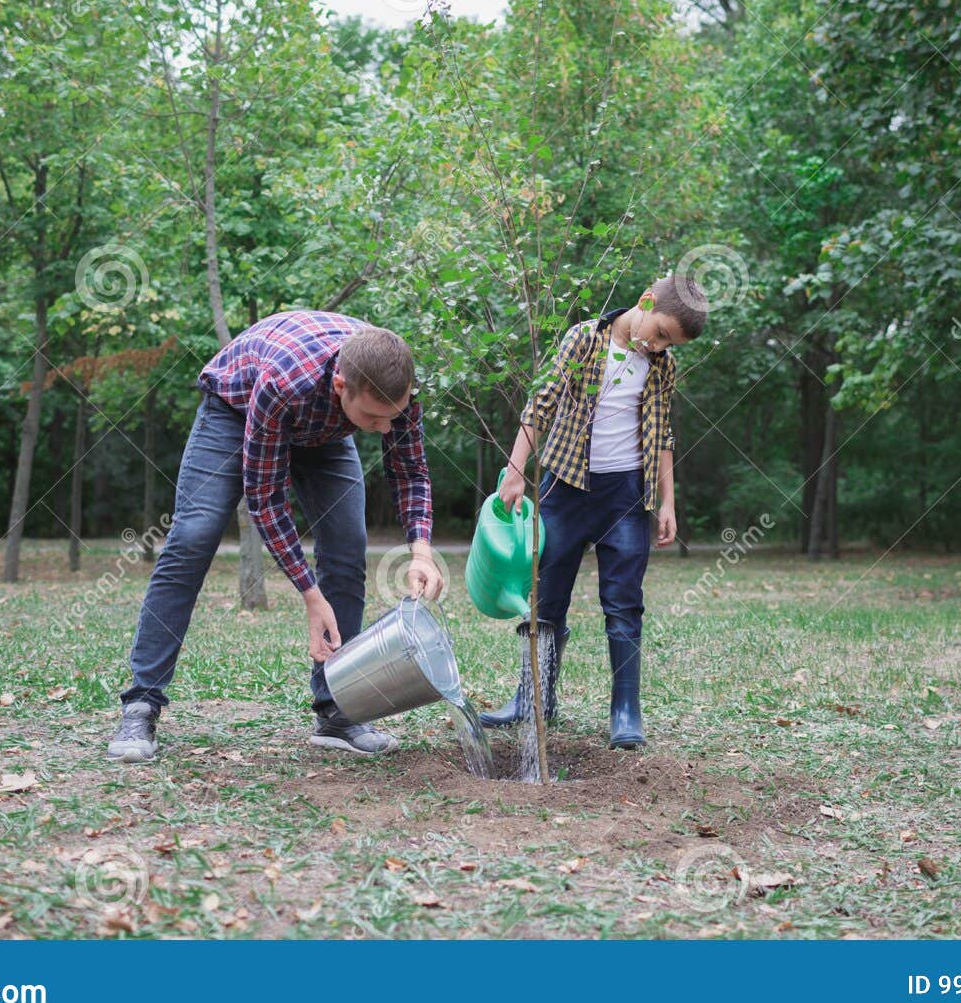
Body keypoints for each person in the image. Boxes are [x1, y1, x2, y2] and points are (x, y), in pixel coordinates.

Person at [107, 312, 444, 762]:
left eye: (393, 417)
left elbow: (410, 471)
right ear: (342, 385)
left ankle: (337, 711)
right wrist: (309, 594)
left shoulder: (394, 389)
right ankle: (141, 703)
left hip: (325, 430)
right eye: (375, 418)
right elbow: (265, 498)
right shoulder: (284, 383)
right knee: (193, 537)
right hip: (237, 409)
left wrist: (420, 550)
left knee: (347, 545)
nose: (386, 429)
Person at [481, 275, 708, 748]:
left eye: (670, 344)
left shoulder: (662, 366)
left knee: (624, 604)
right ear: (645, 302)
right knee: (546, 597)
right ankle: (534, 697)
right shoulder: (585, 340)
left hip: (626, 498)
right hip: (565, 490)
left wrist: (668, 502)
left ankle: (625, 710)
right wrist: (515, 468)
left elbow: (663, 432)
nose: (659, 347)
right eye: (661, 333)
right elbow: (540, 402)